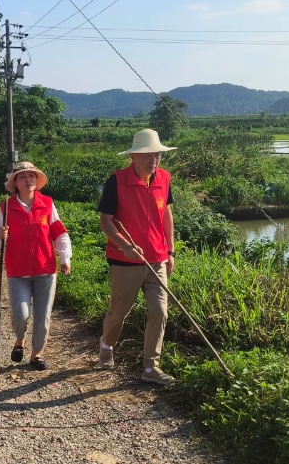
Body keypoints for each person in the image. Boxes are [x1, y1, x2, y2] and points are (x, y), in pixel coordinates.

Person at [96, 129, 177, 385]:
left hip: (157, 258)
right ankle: (107, 345)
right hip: (125, 260)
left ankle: (151, 367)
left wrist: (171, 251)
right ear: (133, 157)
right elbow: (106, 222)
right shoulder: (116, 181)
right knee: (119, 311)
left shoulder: (164, 179)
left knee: (159, 311)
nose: (153, 160)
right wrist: (124, 245)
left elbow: (167, 215)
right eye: (147, 156)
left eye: (157, 155)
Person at [0, 162, 72, 371]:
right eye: (23, 177)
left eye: (32, 176)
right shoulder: (6, 207)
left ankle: (37, 354)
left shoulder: (47, 204)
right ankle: (20, 340)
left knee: (43, 315)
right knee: (21, 313)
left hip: (46, 269)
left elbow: (59, 232)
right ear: (15, 183)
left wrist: (65, 258)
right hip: (18, 271)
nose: (28, 180)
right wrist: (0, 235)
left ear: (37, 181)